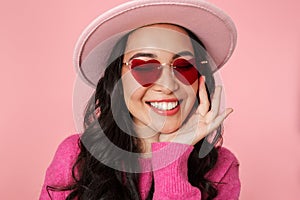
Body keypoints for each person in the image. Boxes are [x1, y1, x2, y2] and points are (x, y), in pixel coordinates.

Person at [40, 0, 240, 199]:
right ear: (118, 77)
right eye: (145, 67)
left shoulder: (221, 168)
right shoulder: (75, 157)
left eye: (184, 66)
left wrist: (171, 158)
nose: (168, 85)